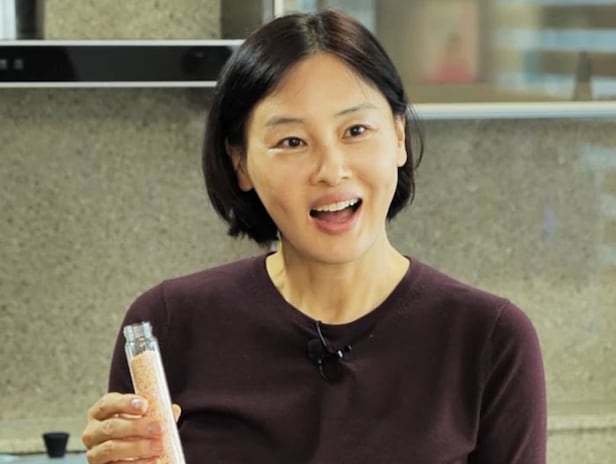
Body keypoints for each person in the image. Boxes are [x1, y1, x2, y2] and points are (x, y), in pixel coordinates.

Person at [81, 9, 546, 464]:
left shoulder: (490, 338)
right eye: (292, 142)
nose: (331, 170)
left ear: (398, 136)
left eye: (356, 130)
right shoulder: (166, 325)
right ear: (240, 163)